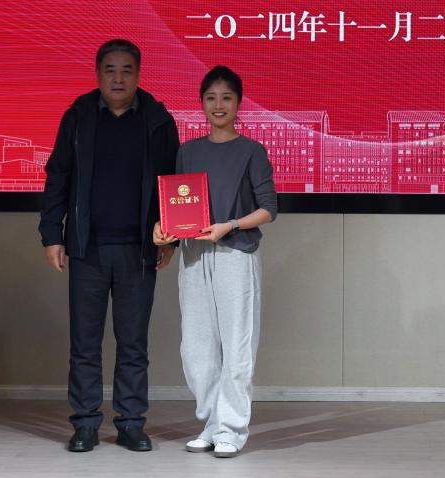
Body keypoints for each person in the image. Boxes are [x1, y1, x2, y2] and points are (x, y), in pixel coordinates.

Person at [39, 39, 179, 454]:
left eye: (127, 70)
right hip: (88, 248)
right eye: (110, 70)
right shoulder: (78, 116)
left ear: (139, 74)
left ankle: (131, 424)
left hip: (139, 250)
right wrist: (52, 234)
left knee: (133, 344)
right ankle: (85, 424)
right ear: (98, 73)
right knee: (84, 343)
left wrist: (172, 236)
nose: (118, 79)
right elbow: (58, 175)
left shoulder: (158, 119)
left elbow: (174, 181)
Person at [154, 65, 277, 458]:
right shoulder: (188, 151)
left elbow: (268, 209)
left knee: (236, 347)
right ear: (202, 103)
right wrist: (163, 231)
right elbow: (176, 204)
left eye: (226, 97)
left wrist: (230, 225)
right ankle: (211, 423)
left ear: (238, 103)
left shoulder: (252, 151)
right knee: (197, 349)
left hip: (235, 255)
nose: (218, 105)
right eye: (211, 97)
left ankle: (231, 430)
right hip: (194, 256)